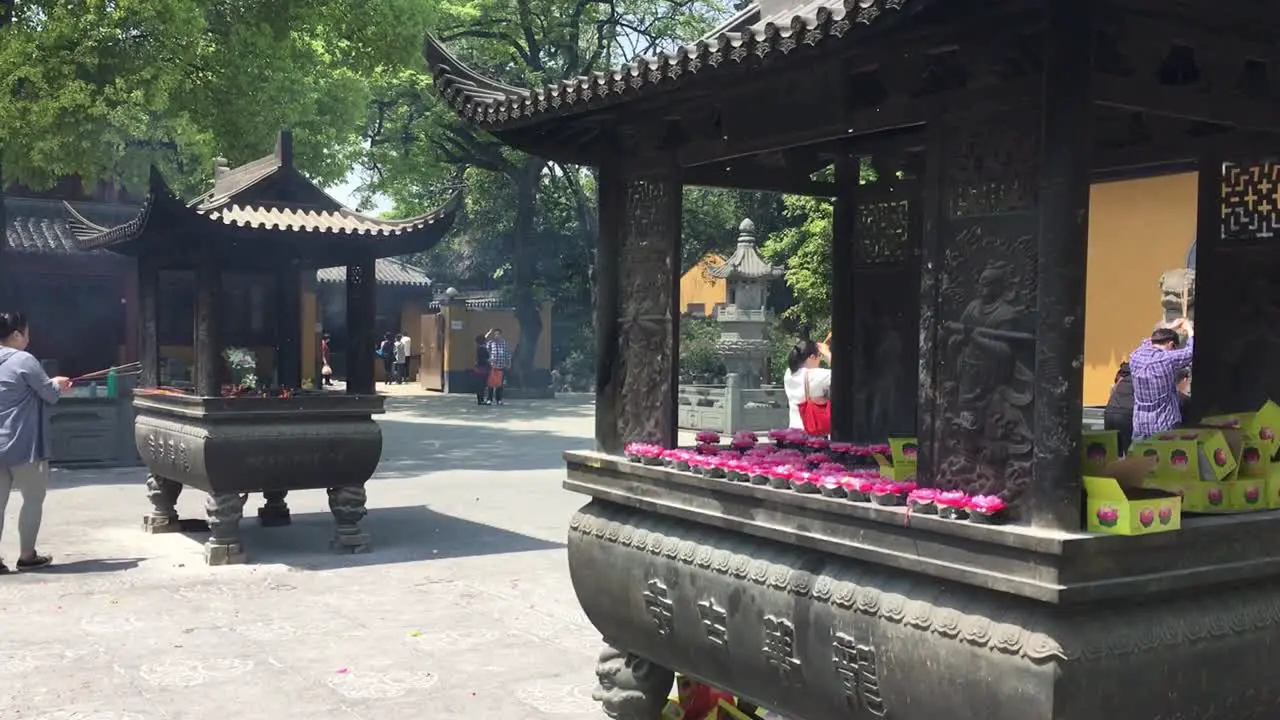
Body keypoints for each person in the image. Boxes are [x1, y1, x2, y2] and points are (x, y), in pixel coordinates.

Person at [0, 311, 71, 573]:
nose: (28, 338)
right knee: (32, 499)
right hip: (24, 444)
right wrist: (58, 383)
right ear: (16, 334)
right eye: (26, 332)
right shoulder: (24, 359)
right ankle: (27, 556)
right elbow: (49, 394)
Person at [1129, 318, 1195, 440]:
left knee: (1140, 458)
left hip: (1140, 426)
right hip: (1165, 427)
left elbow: (1149, 341)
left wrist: (1169, 329)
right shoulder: (1167, 359)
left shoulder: (1135, 356)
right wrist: (1188, 328)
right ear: (1171, 345)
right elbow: (1192, 351)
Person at [782, 338, 831, 431]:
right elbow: (843, 374)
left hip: (793, 431)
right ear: (812, 357)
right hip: (811, 434)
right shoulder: (815, 375)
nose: (821, 359)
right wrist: (827, 352)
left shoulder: (788, 373)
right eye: (820, 356)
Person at [1103, 362, 1134, 454]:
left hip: (1110, 411)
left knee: (1112, 451)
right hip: (1126, 414)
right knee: (1129, 450)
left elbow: (1112, 392)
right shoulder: (1137, 377)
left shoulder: (1120, 376)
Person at [485, 329, 510, 406]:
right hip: (492, 366)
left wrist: (508, 363)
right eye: (495, 334)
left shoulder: (504, 343)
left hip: (501, 366)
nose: (496, 336)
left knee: (500, 384)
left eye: (498, 334)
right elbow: (483, 344)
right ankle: (489, 399)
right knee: (491, 384)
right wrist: (488, 334)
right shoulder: (491, 343)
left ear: (500, 335)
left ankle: (499, 399)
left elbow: (508, 354)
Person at [473, 334, 492, 406]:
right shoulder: (482, 349)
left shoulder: (479, 347)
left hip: (479, 369)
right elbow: (484, 359)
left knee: (480, 385)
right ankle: (481, 400)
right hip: (483, 369)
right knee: (482, 385)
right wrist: (489, 360)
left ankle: (480, 400)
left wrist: (488, 333)